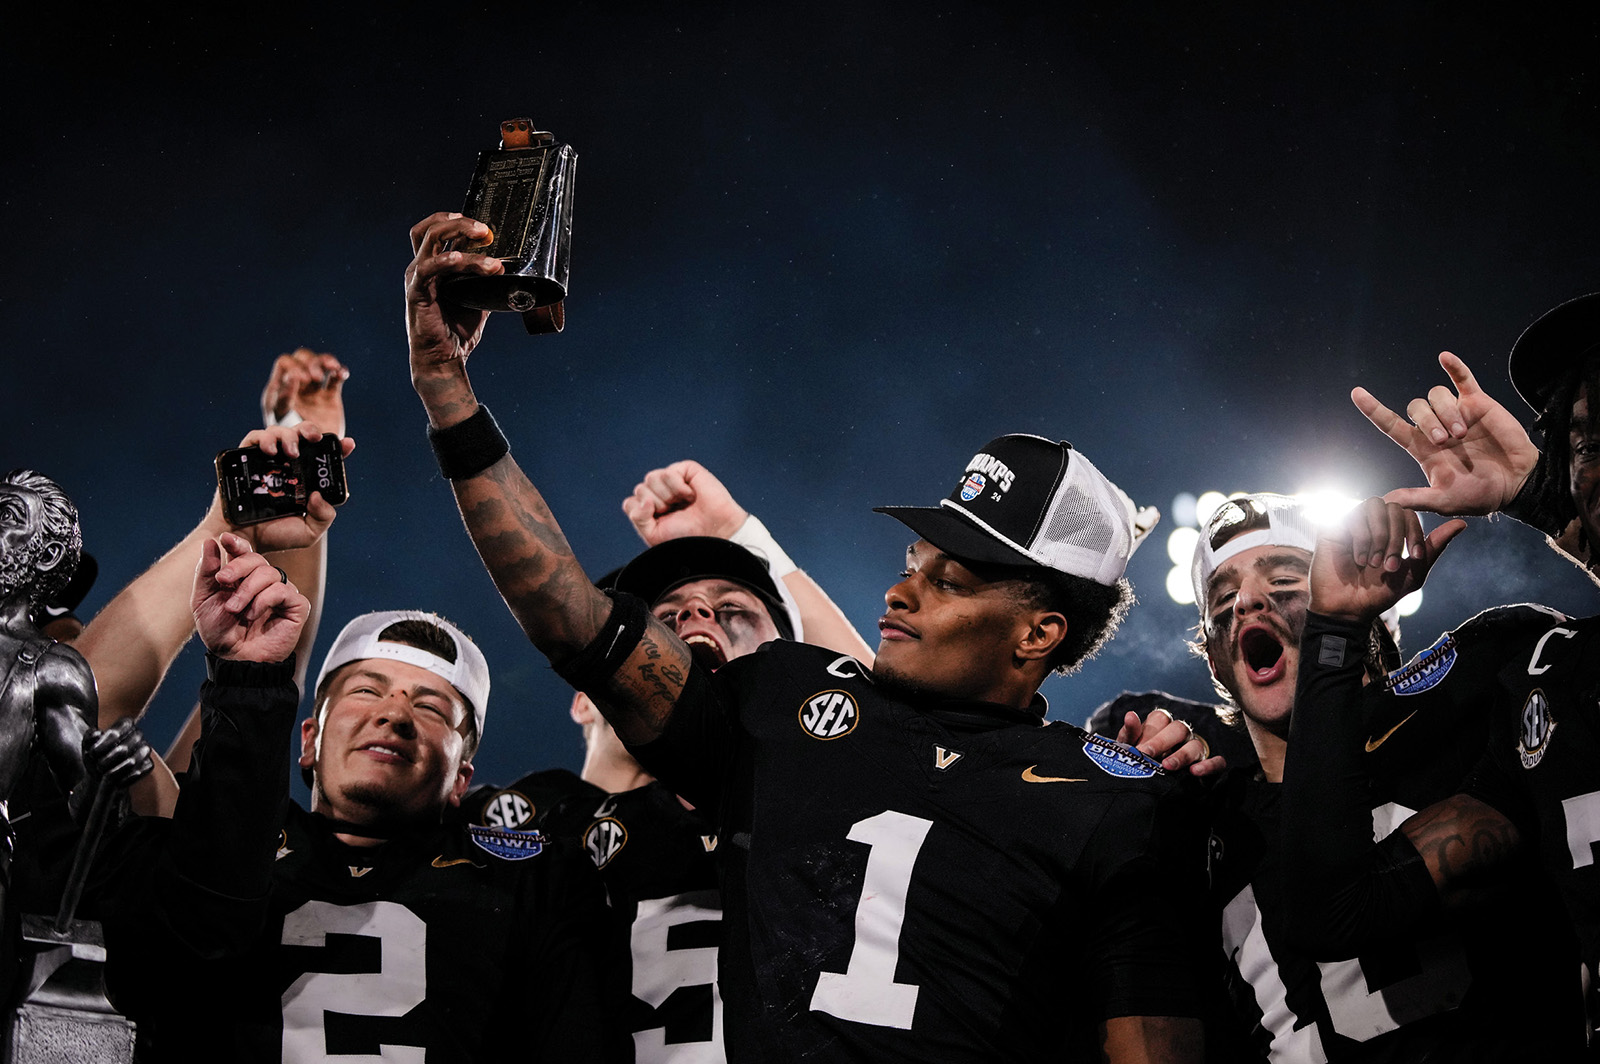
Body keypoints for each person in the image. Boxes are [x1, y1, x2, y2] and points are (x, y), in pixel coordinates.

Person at [406, 210, 1211, 1062]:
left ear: (1038, 632)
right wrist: (446, 388)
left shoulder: (1114, 801)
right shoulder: (784, 705)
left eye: (949, 581)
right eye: (913, 559)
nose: (902, 589)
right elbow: (573, 617)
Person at [94, 536, 624, 1062]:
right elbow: (83, 706)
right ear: (308, 741)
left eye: (432, 707)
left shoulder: (534, 879)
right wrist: (249, 679)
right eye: (367, 690)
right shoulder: (218, 848)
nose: (394, 714)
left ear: (463, 777)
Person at [458, 460, 874, 1063]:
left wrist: (738, 529)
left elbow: (877, 708)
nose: (697, 618)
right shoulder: (538, 823)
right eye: (663, 620)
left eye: (733, 612)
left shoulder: (830, 799)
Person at [1281, 293, 1600, 1041]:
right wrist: (1335, 628)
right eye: (1586, 443)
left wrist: (1545, 501)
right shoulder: (1556, 687)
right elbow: (1334, 911)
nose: (1596, 465)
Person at [1167, 491, 1581, 1060]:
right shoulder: (1207, 828)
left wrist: (1545, 493)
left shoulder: (1472, 697)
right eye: (1224, 598)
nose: (1246, 603)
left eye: (1288, 581)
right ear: (1214, 659)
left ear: (1362, 604)